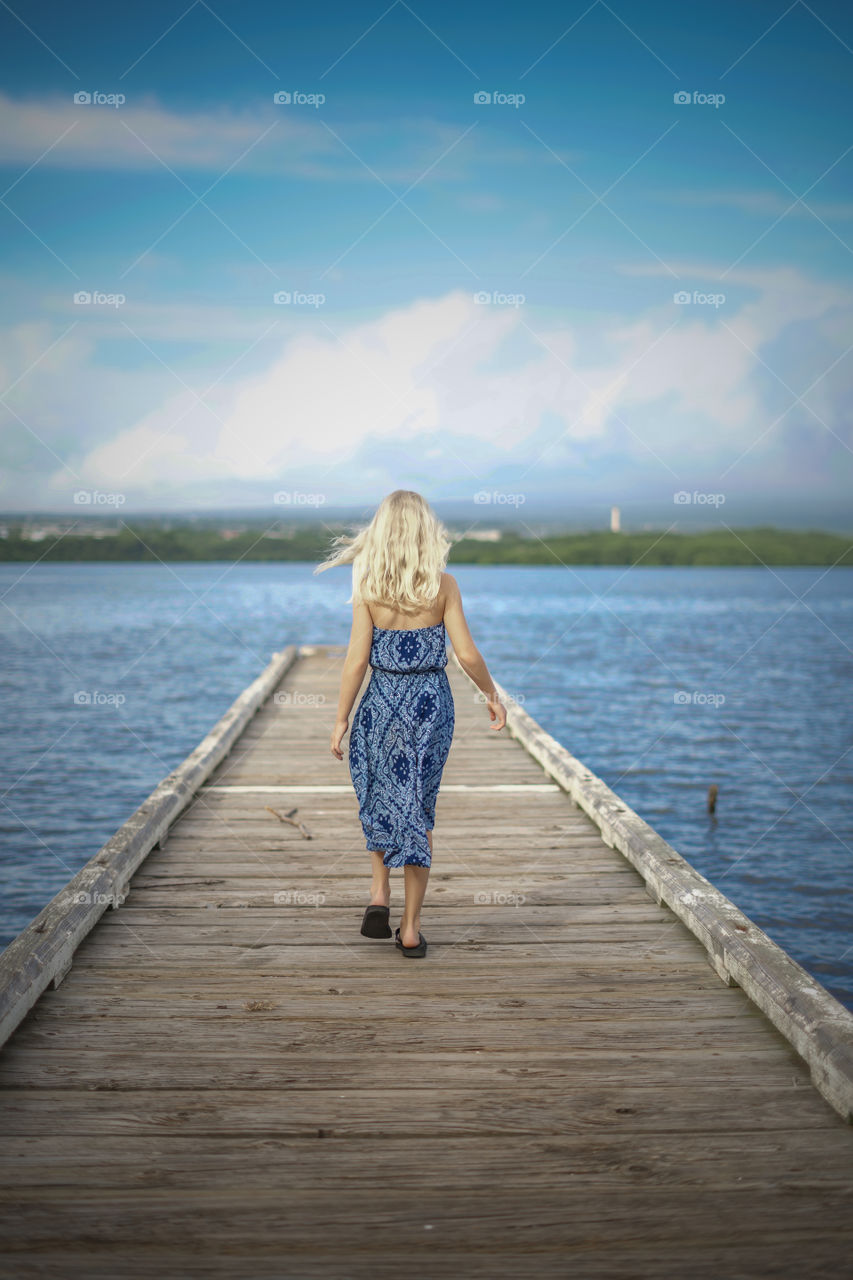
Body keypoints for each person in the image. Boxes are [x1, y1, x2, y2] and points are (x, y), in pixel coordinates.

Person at [314, 490, 506, 958]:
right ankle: (411, 930)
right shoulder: (444, 586)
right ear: (426, 532)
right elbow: (465, 654)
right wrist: (492, 695)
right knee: (417, 806)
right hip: (429, 705)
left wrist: (341, 719)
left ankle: (379, 892)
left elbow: (356, 660)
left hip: (380, 702)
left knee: (381, 795)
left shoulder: (368, 586)